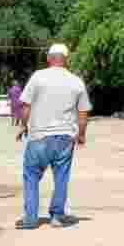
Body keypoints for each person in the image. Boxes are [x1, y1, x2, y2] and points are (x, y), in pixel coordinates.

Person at [15, 43, 92, 229]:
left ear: (49, 58)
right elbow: (83, 113)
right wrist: (81, 134)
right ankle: (57, 216)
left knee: (31, 176)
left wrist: (23, 126)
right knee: (61, 177)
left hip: (39, 136)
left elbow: (25, 106)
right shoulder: (76, 81)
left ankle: (31, 218)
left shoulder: (38, 77)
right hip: (65, 138)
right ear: (66, 60)